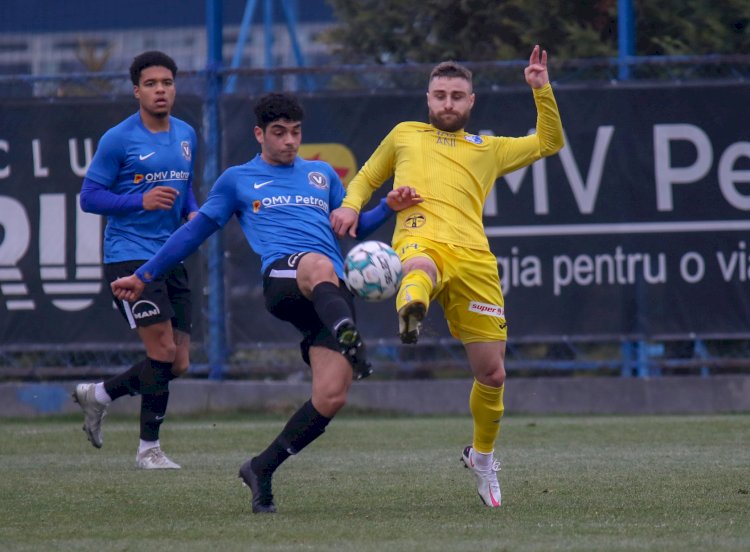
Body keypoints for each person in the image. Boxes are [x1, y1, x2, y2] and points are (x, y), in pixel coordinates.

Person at [109, 92, 422, 512]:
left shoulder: (321, 174)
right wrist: (144, 274)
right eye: (279, 133)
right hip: (285, 280)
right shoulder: (237, 179)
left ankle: (262, 468)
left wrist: (388, 205)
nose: (289, 141)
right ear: (259, 134)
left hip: (330, 292)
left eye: (295, 133)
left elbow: (352, 226)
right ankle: (350, 337)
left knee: (331, 396)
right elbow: (193, 233)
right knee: (316, 263)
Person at [330, 45, 565, 508]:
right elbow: (365, 177)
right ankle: (410, 308)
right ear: (428, 98)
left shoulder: (488, 149)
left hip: (475, 259)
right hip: (421, 238)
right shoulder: (405, 135)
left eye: (458, 96)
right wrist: (350, 205)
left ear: (471, 101)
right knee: (417, 267)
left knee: (493, 374)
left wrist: (542, 90)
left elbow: (548, 142)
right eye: (440, 95)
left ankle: (481, 457)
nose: (448, 104)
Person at [72, 50, 199, 470]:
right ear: (136, 91)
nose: (160, 90)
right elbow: (89, 198)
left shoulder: (186, 133)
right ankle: (149, 450)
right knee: (161, 350)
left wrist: (192, 212)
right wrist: (138, 200)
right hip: (129, 256)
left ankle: (101, 393)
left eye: (166, 82)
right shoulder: (119, 139)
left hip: (172, 255)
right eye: (151, 84)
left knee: (178, 362)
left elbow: (184, 188)